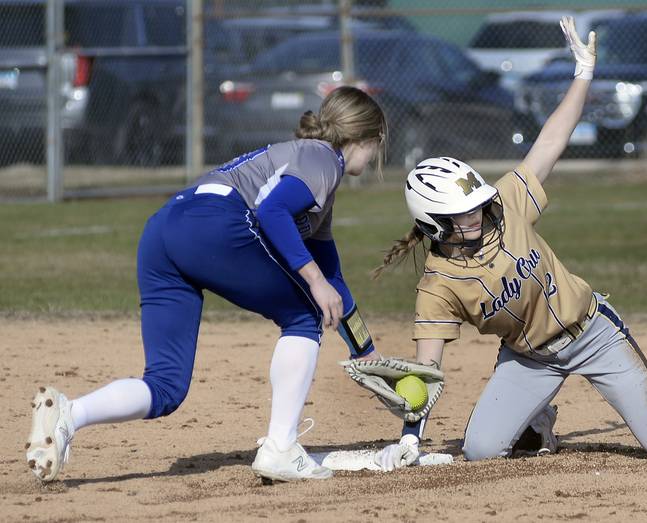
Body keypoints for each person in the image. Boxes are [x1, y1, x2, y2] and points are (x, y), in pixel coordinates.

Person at [370, 17, 647, 466]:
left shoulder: (506, 206)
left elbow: (551, 140)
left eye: (474, 203)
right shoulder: (437, 287)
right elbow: (429, 370)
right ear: (434, 223)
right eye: (461, 213)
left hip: (593, 333)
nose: (476, 213)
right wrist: (411, 438)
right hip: (530, 360)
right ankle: (537, 422)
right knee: (479, 452)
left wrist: (583, 74)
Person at [26, 86, 387, 483]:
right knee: (304, 314)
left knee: (165, 386)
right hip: (215, 224)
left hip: (164, 230)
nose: (374, 158)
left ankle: (68, 414)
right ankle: (281, 448)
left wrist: (366, 352)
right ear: (364, 139)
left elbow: (333, 276)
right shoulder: (324, 160)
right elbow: (273, 210)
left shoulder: (309, 166)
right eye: (377, 146)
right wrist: (313, 281)